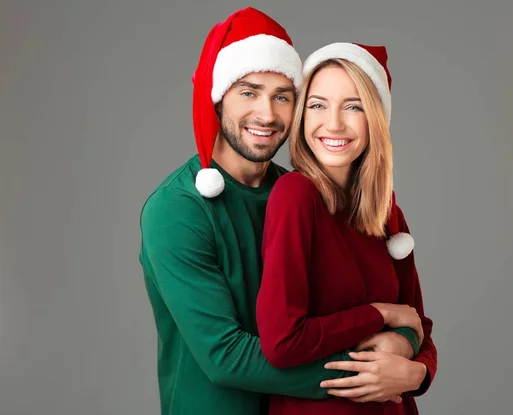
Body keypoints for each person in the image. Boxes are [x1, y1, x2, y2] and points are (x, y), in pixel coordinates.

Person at [139, 8, 423, 415]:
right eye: (249, 92)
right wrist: (376, 377)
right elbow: (226, 356)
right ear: (218, 98)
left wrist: (406, 350)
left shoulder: (300, 193)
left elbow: (359, 310)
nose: (268, 114)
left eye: (283, 97)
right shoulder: (177, 209)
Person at [255, 42, 437, 415]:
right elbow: (282, 342)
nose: (333, 123)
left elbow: (420, 328)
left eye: (352, 107)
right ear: (302, 115)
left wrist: (415, 373)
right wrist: (380, 314)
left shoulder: (386, 211)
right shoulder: (295, 195)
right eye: (318, 105)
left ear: (375, 118)